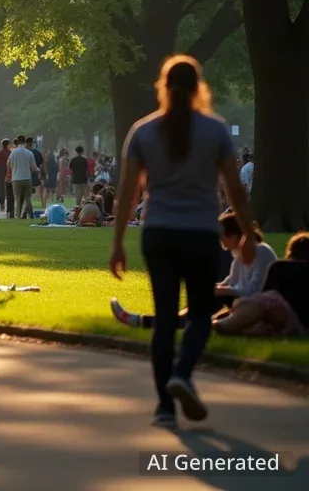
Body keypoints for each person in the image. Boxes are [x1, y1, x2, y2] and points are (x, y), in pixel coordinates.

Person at [110, 55, 256, 429]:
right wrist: (248, 233)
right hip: (200, 233)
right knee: (201, 313)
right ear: (198, 88)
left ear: (162, 86)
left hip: (158, 232)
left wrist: (118, 242)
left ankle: (164, 408)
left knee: (163, 318)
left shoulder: (143, 131)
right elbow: (234, 188)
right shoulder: (215, 130)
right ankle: (183, 373)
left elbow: (127, 192)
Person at [111, 209, 278, 329]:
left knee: (203, 306)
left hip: (257, 305)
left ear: (234, 236)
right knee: (203, 301)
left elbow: (254, 291)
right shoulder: (239, 257)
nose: (221, 243)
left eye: (223, 238)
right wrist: (218, 288)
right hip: (240, 301)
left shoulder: (261, 253)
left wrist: (222, 291)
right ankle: (150, 321)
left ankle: (146, 321)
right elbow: (230, 283)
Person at [214, 233, 309, 336]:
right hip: (290, 322)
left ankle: (219, 325)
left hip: (280, 314)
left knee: (263, 303)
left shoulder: (280, 267)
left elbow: (264, 295)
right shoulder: (281, 268)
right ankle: (219, 323)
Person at [8, 135, 37, 220]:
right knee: (27, 198)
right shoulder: (29, 153)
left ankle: (18, 215)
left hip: (16, 178)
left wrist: (15, 168)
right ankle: (28, 214)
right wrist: (38, 170)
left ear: (17, 141)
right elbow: (34, 167)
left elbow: (9, 164)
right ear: (25, 142)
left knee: (17, 198)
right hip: (27, 177)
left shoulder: (13, 152)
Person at [0, 138, 12, 217]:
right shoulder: (10, 153)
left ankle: (2, 203)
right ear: (7, 145)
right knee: (8, 187)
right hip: (7, 171)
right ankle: (9, 205)